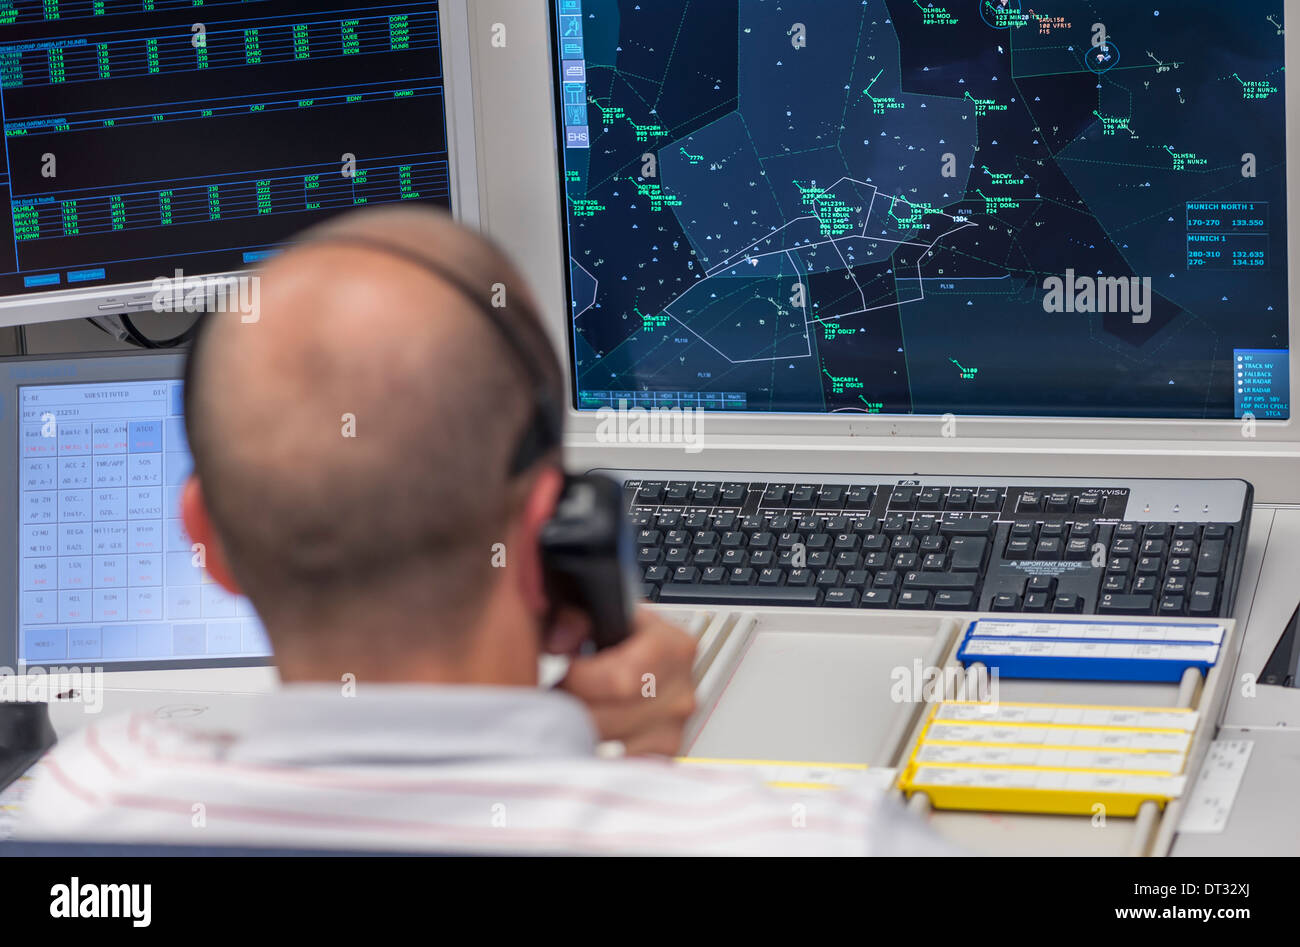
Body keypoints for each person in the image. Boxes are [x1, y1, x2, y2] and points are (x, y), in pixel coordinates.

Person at [17, 206, 946, 855]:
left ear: (207, 543)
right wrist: (617, 763)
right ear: (556, 532)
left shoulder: (83, 802)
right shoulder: (819, 839)